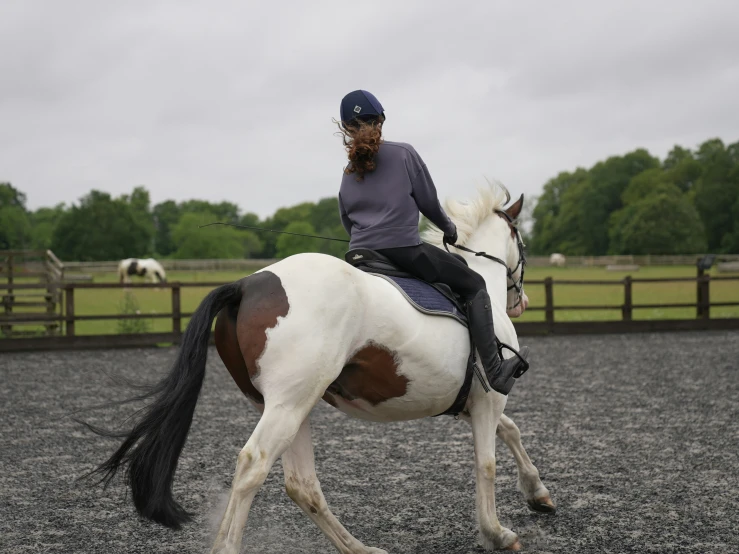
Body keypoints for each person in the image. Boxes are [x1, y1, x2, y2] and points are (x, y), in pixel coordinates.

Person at [336, 89, 529, 395]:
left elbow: (347, 218)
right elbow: (428, 201)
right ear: (381, 120)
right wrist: (449, 229)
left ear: (347, 128)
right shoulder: (403, 154)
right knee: (474, 283)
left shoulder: (348, 172)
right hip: (404, 251)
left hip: (359, 255)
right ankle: (495, 370)